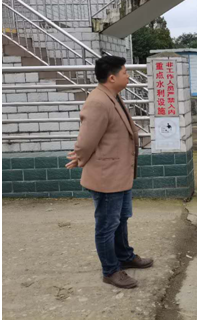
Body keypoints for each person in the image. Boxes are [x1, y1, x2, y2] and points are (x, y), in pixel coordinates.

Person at [65, 56, 153, 289]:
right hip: (106, 176)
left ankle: (125, 256)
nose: (128, 76)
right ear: (112, 77)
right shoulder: (98, 102)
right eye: (125, 72)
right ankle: (111, 270)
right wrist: (80, 157)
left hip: (119, 173)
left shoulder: (112, 96)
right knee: (107, 225)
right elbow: (86, 140)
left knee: (121, 219)